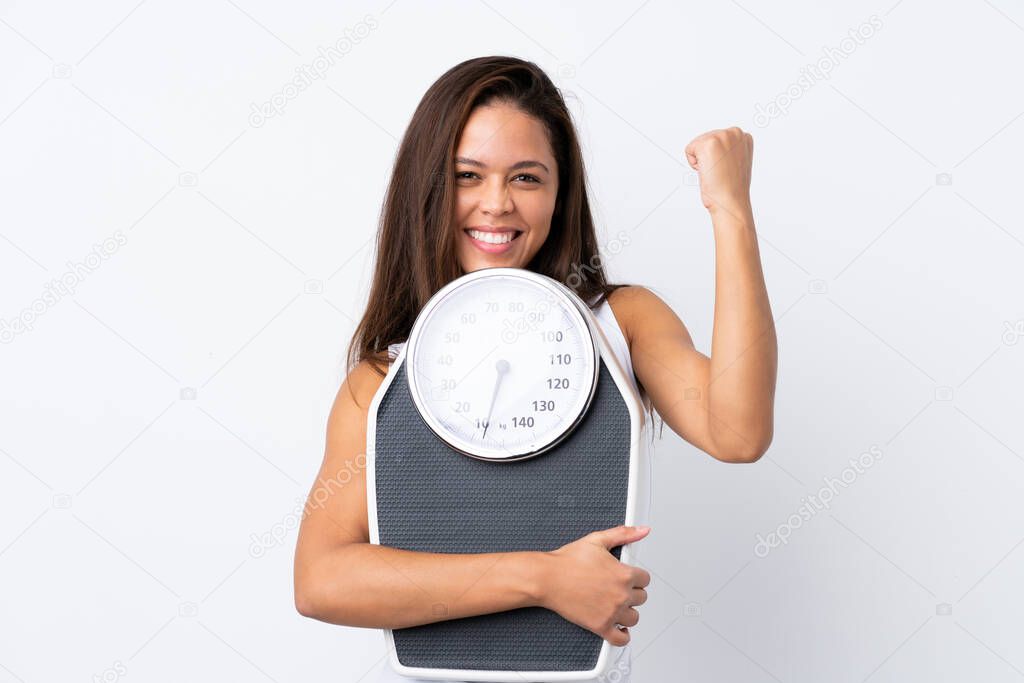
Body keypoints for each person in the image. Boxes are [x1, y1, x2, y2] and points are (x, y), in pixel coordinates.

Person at [293, 55, 776, 683]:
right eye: (468, 175)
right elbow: (321, 580)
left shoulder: (618, 325)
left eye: (526, 178)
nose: (496, 204)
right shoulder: (382, 381)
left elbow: (737, 433)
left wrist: (729, 209)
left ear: (558, 193)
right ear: (429, 189)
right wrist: (543, 579)